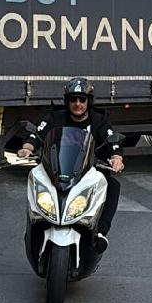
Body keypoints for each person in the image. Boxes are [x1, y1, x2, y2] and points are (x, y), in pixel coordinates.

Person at [19, 77, 124, 251]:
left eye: (82, 99)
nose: (77, 104)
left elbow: (112, 141)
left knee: (112, 184)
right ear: (67, 101)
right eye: (73, 99)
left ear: (88, 101)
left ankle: (100, 233)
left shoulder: (100, 120)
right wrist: (27, 148)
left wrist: (116, 158)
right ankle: (35, 225)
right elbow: (37, 134)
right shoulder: (55, 117)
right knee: (34, 177)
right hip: (56, 170)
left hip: (89, 170)